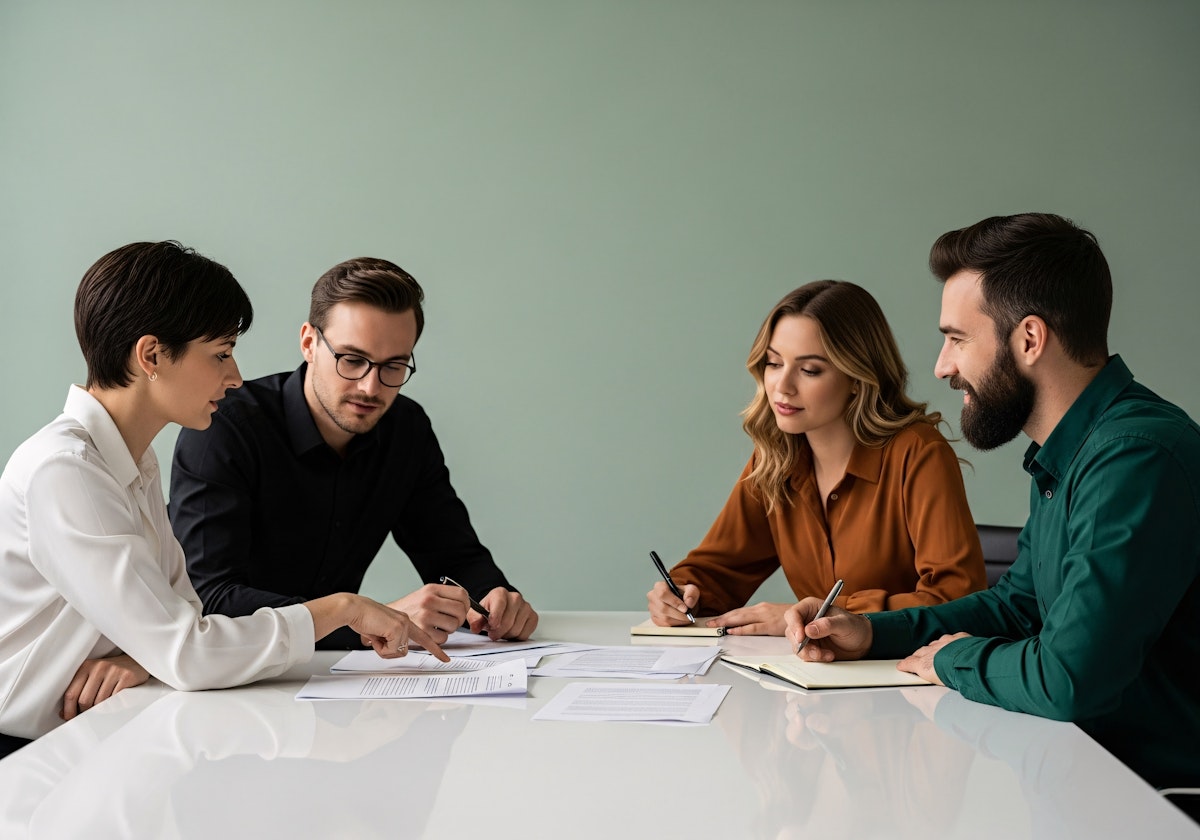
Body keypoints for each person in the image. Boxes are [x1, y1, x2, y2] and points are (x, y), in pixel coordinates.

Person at [785, 213, 1200, 791]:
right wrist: (871, 633)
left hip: (1158, 806)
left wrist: (953, 660)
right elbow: (1017, 608)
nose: (942, 366)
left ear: (1029, 339)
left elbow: (1069, 678)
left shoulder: (1134, 456)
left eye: (956, 338)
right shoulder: (1073, 450)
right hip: (1090, 787)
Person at [0, 242, 446, 749]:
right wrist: (342, 608)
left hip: (89, 735)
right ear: (151, 356)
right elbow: (190, 652)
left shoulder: (130, 462)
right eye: (220, 354)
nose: (234, 377)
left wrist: (147, 655)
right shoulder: (68, 471)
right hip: (23, 757)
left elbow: (188, 627)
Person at [169, 257, 537, 648]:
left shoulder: (405, 428)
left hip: (341, 680)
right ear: (309, 343)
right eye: (352, 359)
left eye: (394, 366)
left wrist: (495, 598)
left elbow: (454, 555)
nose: (370, 387)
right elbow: (209, 599)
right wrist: (367, 621)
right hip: (227, 678)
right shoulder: (224, 429)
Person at [648, 281, 986, 635]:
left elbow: (959, 599)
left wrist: (817, 615)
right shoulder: (778, 457)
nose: (782, 386)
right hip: (812, 676)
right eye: (774, 363)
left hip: (908, 676)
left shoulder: (918, 453)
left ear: (857, 377)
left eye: (809, 370)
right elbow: (719, 570)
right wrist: (680, 594)